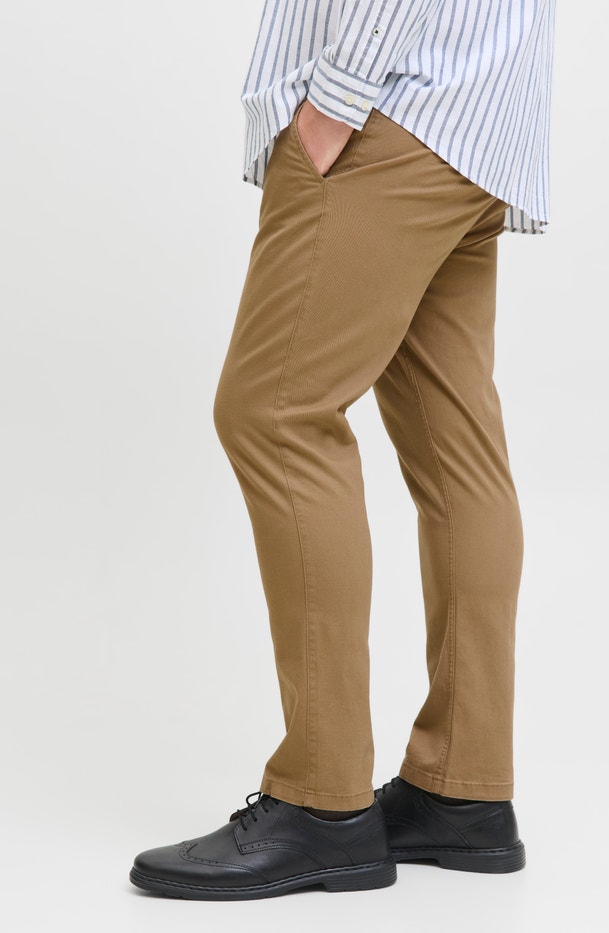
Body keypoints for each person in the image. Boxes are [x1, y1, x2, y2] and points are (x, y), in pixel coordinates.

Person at [129, 0, 556, 900]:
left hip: (386, 112)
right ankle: (463, 788)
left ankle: (321, 802)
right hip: (474, 120)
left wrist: (335, 99)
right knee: (456, 450)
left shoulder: (361, 107)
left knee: (274, 413)